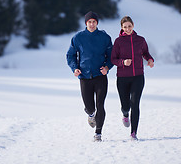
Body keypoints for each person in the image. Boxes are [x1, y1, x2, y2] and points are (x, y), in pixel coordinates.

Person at [66, 11, 113, 142]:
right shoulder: (78, 37)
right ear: (86, 23)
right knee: (90, 107)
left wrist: (107, 67)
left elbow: (111, 56)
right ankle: (90, 114)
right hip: (85, 76)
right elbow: (70, 55)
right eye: (89, 22)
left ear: (97, 23)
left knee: (100, 105)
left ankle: (98, 134)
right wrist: (74, 68)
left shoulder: (105, 37)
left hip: (100, 76)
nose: (92, 24)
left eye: (94, 22)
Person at [111, 16, 154, 141]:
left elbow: (145, 53)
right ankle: (125, 114)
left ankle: (133, 132)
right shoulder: (118, 41)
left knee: (135, 104)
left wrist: (150, 60)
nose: (128, 29)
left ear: (133, 26)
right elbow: (113, 59)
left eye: (129, 26)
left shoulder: (140, 40)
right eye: (125, 27)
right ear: (122, 28)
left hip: (138, 77)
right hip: (122, 78)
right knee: (126, 106)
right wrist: (123, 62)